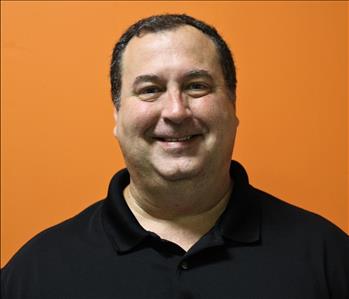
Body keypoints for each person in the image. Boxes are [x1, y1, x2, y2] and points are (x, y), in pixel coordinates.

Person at [1, 14, 348, 299]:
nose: (175, 111)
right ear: (117, 115)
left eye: (197, 85)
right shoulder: (34, 274)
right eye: (150, 90)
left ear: (233, 106)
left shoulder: (328, 258)